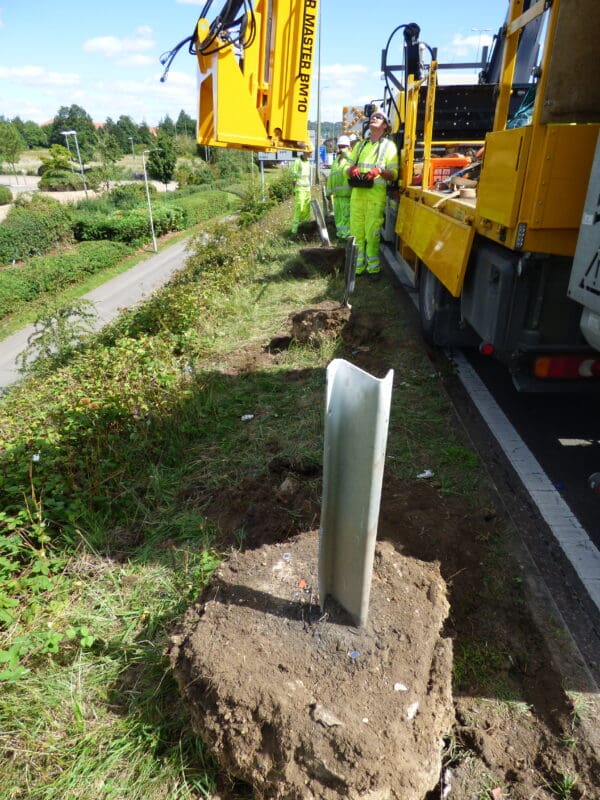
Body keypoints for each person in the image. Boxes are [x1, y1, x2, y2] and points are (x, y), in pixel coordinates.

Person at [344, 110, 398, 277]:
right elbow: (346, 167)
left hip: (375, 198)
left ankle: (373, 268)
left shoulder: (390, 147)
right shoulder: (360, 146)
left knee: (372, 235)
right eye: (373, 116)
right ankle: (358, 267)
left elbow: (394, 174)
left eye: (379, 117)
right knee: (356, 234)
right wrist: (350, 170)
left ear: (385, 125)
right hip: (357, 197)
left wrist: (380, 171)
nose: (374, 117)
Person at [326, 135, 352, 240]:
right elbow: (331, 177)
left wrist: (347, 155)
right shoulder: (336, 161)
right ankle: (340, 237)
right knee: (339, 219)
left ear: (349, 147)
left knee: (346, 219)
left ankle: (347, 239)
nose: (342, 149)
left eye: (344, 146)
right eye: (340, 146)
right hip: (337, 197)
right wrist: (328, 193)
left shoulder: (351, 158)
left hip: (347, 196)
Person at [290, 149, 313, 234]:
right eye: (310, 151)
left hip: (307, 189)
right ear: (305, 151)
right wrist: (293, 189)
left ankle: (304, 229)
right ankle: (294, 231)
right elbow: (293, 177)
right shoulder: (297, 161)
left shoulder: (308, 162)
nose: (312, 153)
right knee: (299, 207)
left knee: (306, 209)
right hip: (300, 189)